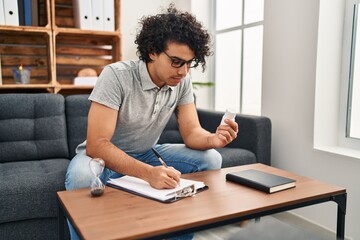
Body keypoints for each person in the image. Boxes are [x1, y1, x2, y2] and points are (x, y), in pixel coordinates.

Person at [65, 5, 238, 240]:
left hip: (147, 152)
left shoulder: (181, 81)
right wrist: (149, 174)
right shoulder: (116, 76)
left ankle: (177, 233)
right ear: (152, 51)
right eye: (177, 61)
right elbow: (97, 144)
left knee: (211, 158)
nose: (184, 72)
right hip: (100, 158)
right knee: (81, 178)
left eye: (190, 63)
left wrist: (213, 139)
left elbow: (191, 132)